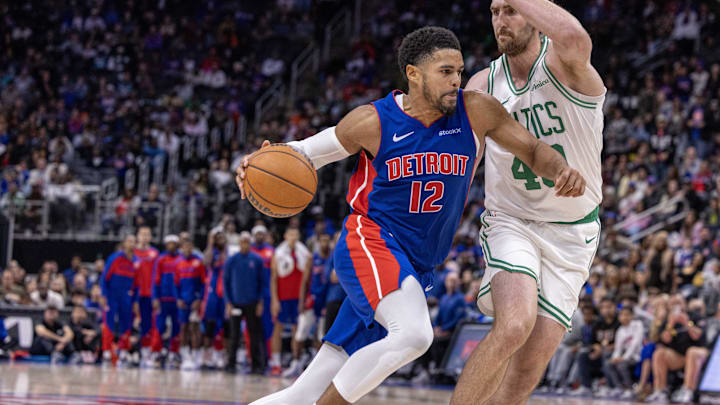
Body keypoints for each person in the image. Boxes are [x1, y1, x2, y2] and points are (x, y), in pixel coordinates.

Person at [240, 26, 585, 405]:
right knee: (414, 335)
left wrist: (561, 170)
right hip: (370, 242)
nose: (457, 80)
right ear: (413, 74)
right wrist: (255, 164)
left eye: (459, 71)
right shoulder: (373, 121)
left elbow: (534, 150)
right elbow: (305, 153)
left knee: (302, 393)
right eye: (445, 72)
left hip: (416, 263)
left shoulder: (476, 111)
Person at [455, 0, 606, 402]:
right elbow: (464, 164)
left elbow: (574, 35)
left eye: (511, 10)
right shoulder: (482, 86)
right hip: (512, 220)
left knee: (528, 368)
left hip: (574, 233)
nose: (500, 21)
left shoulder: (564, 63)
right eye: (494, 12)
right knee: (514, 325)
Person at [284, 232, 331, 377]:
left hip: (325, 300)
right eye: (322, 240)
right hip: (311, 299)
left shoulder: (333, 257)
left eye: (326, 240)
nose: (324, 243)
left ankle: (317, 366)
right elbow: (305, 281)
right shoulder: (312, 258)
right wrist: (301, 301)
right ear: (318, 242)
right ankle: (295, 363)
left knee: (322, 335)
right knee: (301, 333)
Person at [269, 227, 312, 376]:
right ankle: (275, 363)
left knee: (296, 329)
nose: (293, 236)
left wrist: (303, 300)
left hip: (297, 298)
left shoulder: (305, 254)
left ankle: (295, 363)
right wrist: (274, 300)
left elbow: (306, 280)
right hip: (282, 297)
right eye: (291, 234)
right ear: (286, 236)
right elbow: (274, 278)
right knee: (278, 328)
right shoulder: (278, 254)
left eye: (296, 234)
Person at [223, 231, 266, 374]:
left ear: (250, 243)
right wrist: (228, 302)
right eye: (243, 241)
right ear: (239, 243)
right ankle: (231, 364)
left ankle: (256, 365)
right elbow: (226, 282)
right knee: (234, 335)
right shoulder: (232, 260)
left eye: (247, 241)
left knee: (254, 334)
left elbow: (262, 283)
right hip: (236, 303)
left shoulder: (257, 260)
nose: (245, 244)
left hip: (252, 303)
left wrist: (260, 302)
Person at [100, 233, 138, 366]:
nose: (132, 244)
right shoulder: (115, 258)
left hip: (127, 297)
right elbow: (105, 278)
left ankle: (123, 351)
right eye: (129, 241)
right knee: (109, 323)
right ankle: (106, 351)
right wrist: (103, 295)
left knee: (126, 323)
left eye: (134, 242)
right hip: (112, 296)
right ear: (124, 243)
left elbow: (137, 283)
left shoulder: (136, 262)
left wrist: (135, 301)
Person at [176, 235, 206, 370]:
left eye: (189, 247)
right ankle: (185, 356)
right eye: (184, 247)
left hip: (195, 301)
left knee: (195, 328)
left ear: (192, 248)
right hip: (183, 301)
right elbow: (175, 284)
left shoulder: (198, 262)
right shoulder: (178, 263)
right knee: (184, 328)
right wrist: (178, 298)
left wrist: (199, 299)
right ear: (182, 248)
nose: (187, 249)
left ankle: (195, 355)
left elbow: (203, 283)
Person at [153, 234, 182, 368]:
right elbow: (156, 280)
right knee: (160, 326)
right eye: (169, 243)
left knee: (176, 326)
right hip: (163, 299)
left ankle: (174, 352)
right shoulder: (161, 259)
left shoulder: (181, 259)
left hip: (177, 300)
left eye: (173, 243)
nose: (171, 246)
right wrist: (155, 297)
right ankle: (158, 352)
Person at [201, 230, 229, 369]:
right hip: (212, 291)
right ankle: (207, 356)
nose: (220, 239)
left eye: (222, 236)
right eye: (217, 237)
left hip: (225, 292)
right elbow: (206, 261)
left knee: (226, 325)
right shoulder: (212, 252)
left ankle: (223, 355)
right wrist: (210, 243)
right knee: (210, 324)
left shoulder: (229, 252)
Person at [605, 306, 644, 399]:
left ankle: (629, 389)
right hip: (625, 357)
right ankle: (619, 388)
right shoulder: (620, 330)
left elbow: (635, 344)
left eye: (627, 315)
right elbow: (618, 348)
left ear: (632, 316)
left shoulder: (637, 325)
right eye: (622, 315)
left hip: (637, 356)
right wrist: (615, 357)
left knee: (621, 365)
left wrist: (624, 358)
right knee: (608, 363)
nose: (624, 317)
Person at [134, 225, 159, 367]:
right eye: (142, 234)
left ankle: (147, 350)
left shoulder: (154, 253)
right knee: (132, 323)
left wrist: (156, 295)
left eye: (147, 234)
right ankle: (130, 351)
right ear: (137, 235)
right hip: (135, 295)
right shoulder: (133, 253)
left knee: (149, 324)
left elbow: (157, 275)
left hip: (149, 294)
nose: (144, 237)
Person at [250, 224, 275, 363]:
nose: (259, 236)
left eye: (262, 234)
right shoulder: (249, 250)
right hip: (252, 294)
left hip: (267, 293)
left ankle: (268, 358)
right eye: (257, 234)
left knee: (268, 327)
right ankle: (252, 358)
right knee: (251, 328)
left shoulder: (271, 251)